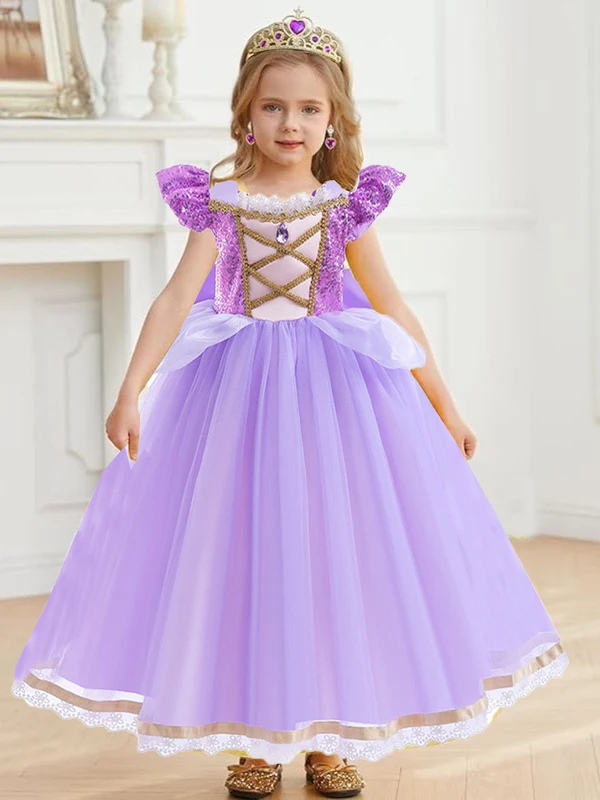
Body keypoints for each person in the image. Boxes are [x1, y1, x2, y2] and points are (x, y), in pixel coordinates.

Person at [11, 9, 569, 800]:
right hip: (236, 405)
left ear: (334, 119)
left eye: (309, 109)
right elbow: (174, 299)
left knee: (334, 560)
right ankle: (257, 739)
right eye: (273, 106)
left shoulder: (344, 206)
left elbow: (394, 309)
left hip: (338, 406)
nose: (290, 123)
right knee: (248, 560)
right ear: (246, 111)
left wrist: (446, 407)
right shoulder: (221, 201)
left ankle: (331, 735)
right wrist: (130, 389)